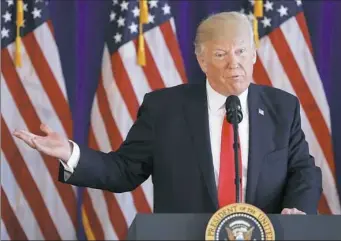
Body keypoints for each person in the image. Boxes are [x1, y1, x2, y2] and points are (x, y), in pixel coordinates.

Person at [13, 11, 322, 215]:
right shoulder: (164, 109)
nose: (234, 62)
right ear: (202, 62)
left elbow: (303, 170)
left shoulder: (282, 107)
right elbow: (124, 171)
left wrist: (296, 209)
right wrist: (70, 152)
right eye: (220, 54)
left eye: (241, 51)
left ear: (253, 54)